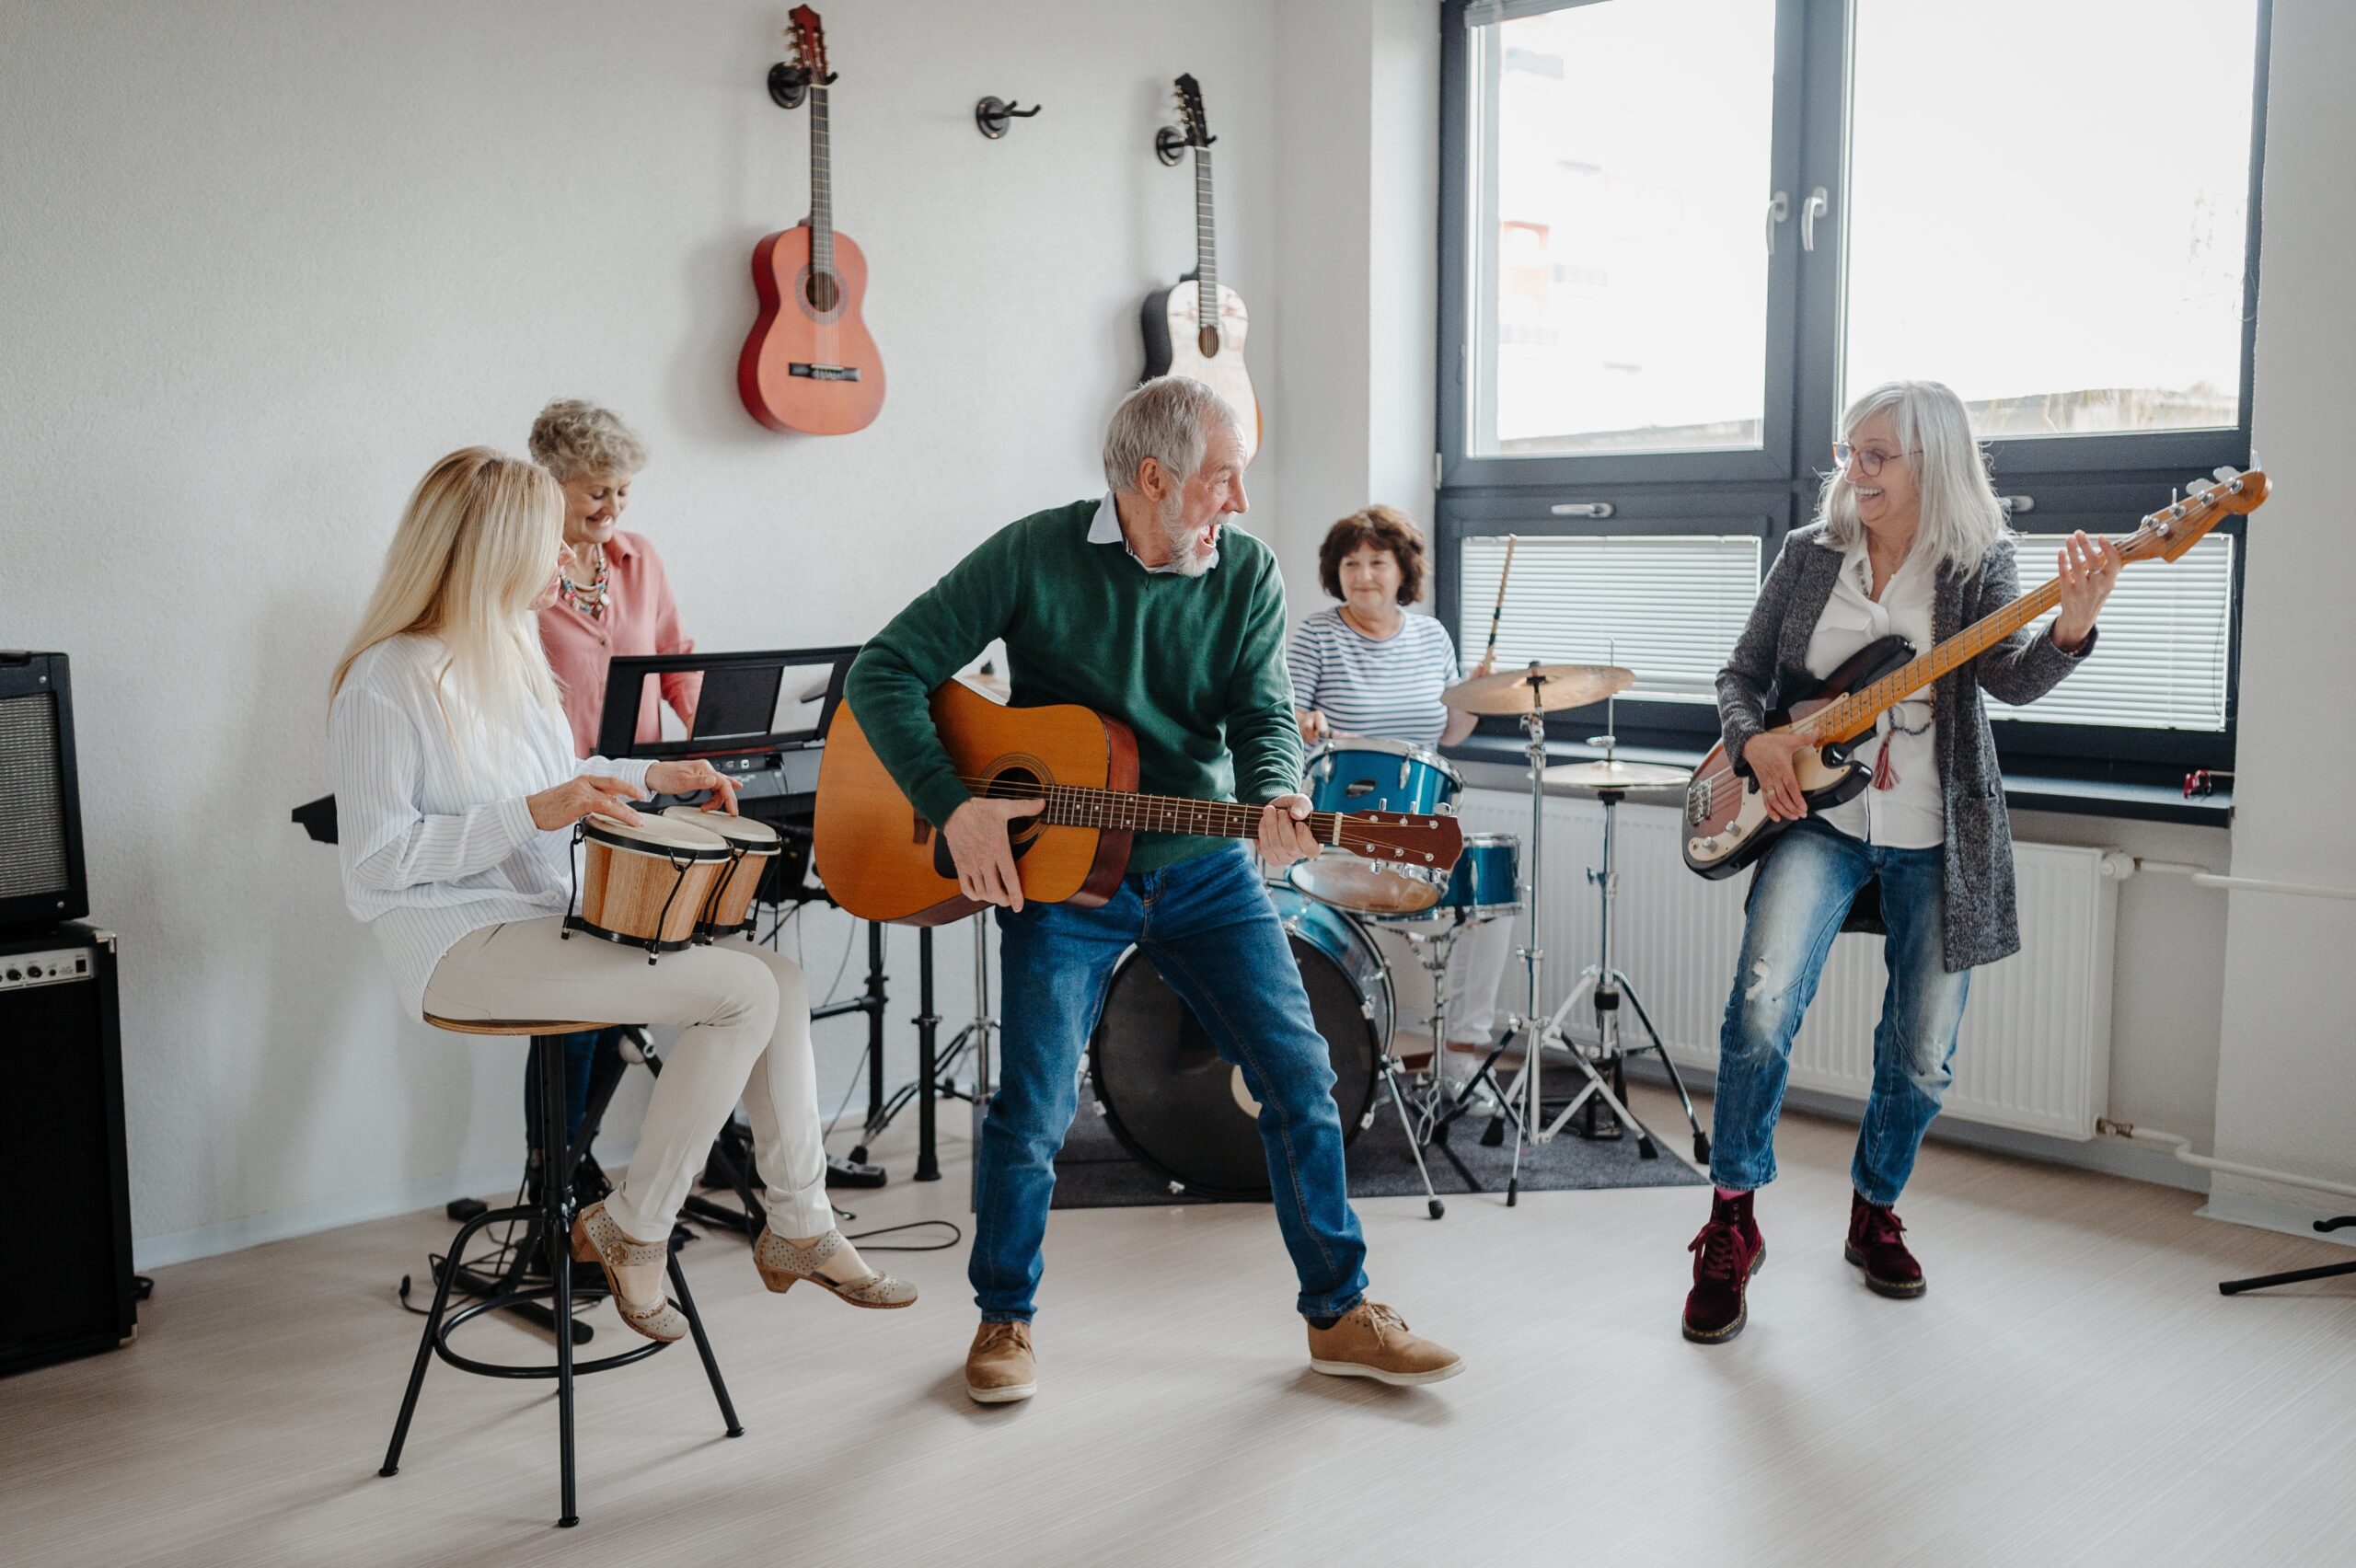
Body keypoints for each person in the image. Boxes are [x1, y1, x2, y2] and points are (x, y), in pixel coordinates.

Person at [845, 376, 1464, 1403]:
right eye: (1225, 479)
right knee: (1033, 1110)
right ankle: (1004, 1319)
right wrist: (953, 801)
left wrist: (1273, 787)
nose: (1241, 503)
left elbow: (1262, 710)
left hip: (1205, 872)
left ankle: (1340, 1314)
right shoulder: (1031, 555)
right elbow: (886, 669)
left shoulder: (1246, 572)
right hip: (1068, 881)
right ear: (1153, 479)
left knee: (1301, 1079)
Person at [330, 447, 912, 1344]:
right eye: (548, 546)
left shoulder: (510, 654)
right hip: (455, 949)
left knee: (777, 979)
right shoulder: (386, 681)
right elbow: (374, 863)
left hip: (540, 923)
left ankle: (798, 1223)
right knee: (739, 993)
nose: (567, 565)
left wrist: (653, 772)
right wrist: (531, 813)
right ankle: (635, 1226)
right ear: (495, 552)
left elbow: (563, 777)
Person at [1682, 380, 2119, 1344]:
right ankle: (1731, 1220)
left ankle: (1873, 1210)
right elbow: (1739, 675)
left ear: (1934, 461)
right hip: (1813, 821)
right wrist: (1753, 742)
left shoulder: (1977, 564)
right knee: (1758, 1013)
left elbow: (2009, 679)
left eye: (1878, 454)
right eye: (1851, 451)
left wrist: (2073, 624)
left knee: (1918, 1057)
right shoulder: (1809, 557)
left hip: (1937, 834)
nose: (1858, 471)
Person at [525, 401, 702, 1176]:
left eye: (623, 491)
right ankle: (553, 1174)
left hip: (644, 805)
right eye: (596, 491)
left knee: (629, 998)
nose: (613, 507)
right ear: (551, 484)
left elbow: (673, 657)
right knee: (572, 1007)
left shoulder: (640, 560)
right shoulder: (520, 575)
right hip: (561, 808)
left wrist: (715, 744)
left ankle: (578, 1164)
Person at [1286, 505, 1516, 1073]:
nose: (1363, 574)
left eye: (1377, 561)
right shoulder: (1317, 634)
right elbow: (1280, 714)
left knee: (1494, 893)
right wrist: (1303, 718)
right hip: (1338, 823)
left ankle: (1462, 1058)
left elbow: (1449, 734)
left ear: (1402, 569)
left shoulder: (1432, 636)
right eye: (1350, 562)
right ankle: (1325, 1063)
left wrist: (1475, 696)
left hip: (1419, 828)